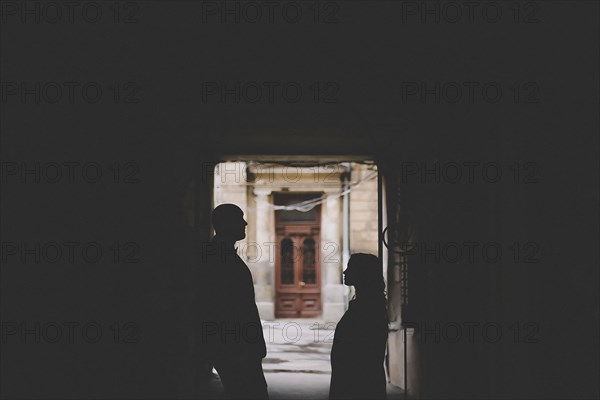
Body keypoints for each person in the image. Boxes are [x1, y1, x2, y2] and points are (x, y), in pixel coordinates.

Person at [200, 204, 269, 399]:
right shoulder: (216, 258)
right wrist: (242, 349)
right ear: (226, 224)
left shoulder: (223, 255)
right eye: (240, 218)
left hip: (240, 347)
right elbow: (222, 307)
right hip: (236, 348)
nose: (245, 223)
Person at [329, 253, 389, 400]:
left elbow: (363, 352)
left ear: (362, 273)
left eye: (350, 268)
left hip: (358, 384)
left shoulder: (368, 308)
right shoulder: (365, 305)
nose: (345, 272)